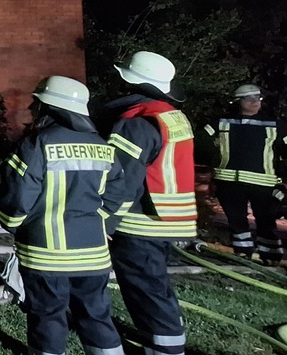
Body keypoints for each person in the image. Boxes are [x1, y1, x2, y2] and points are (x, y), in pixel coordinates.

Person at [0, 76, 126, 355]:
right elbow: (119, 191)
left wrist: (13, 225)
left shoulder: (37, 144)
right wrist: (100, 221)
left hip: (46, 255)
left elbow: (17, 198)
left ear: (49, 108)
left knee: (48, 319)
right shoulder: (103, 146)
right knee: (97, 319)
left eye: (37, 104)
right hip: (93, 254)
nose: (33, 110)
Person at [98, 51, 196, 355]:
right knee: (156, 289)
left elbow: (121, 180)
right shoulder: (170, 116)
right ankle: (166, 338)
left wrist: (103, 221)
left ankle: (166, 348)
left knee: (147, 294)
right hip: (166, 219)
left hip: (139, 224)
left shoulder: (136, 122)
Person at [206, 84, 287, 266]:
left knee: (266, 223)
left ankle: (271, 260)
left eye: (258, 98)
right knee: (237, 223)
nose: (255, 102)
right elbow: (200, 142)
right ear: (237, 102)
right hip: (229, 182)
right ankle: (243, 257)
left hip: (262, 184)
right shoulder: (221, 122)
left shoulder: (273, 124)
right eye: (249, 98)